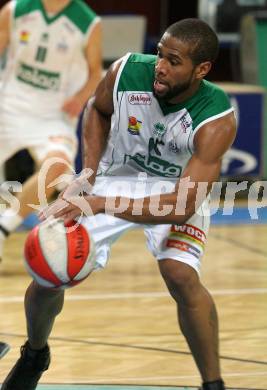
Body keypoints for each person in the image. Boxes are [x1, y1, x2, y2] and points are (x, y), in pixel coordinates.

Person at [1, 18, 236, 390]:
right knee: (49, 268)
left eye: (174, 61)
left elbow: (179, 206)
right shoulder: (126, 70)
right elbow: (97, 109)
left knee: (180, 274)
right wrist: (89, 174)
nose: (160, 65)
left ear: (201, 69)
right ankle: (35, 352)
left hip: (175, 189)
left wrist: (98, 203)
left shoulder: (216, 117)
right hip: (114, 175)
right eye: (160, 54)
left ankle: (213, 384)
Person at [0, 0, 102, 260]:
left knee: (58, 166)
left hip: (53, 115)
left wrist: (80, 98)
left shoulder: (88, 23)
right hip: (8, 106)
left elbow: (94, 73)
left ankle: (2, 229)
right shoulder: (15, 10)